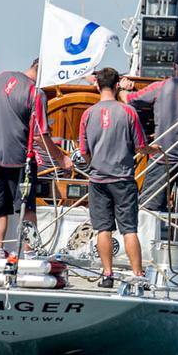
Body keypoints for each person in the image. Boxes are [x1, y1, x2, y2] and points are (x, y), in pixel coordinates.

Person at [0, 58, 68, 254]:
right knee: (27, 210)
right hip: (21, 161)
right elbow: (40, 135)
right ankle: (29, 254)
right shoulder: (36, 93)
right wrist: (61, 159)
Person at [119, 48, 178, 237]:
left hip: (162, 156)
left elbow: (129, 100)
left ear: (174, 66)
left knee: (149, 206)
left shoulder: (160, 87)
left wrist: (121, 89)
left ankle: (145, 247)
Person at [78, 67, 148, 287]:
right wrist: (153, 150)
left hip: (98, 181)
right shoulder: (129, 112)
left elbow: (83, 151)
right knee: (129, 230)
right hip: (124, 180)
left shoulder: (88, 115)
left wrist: (95, 164)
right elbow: (141, 147)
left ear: (97, 86)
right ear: (118, 84)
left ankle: (107, 275)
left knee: (103, 229)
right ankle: (138, 276)